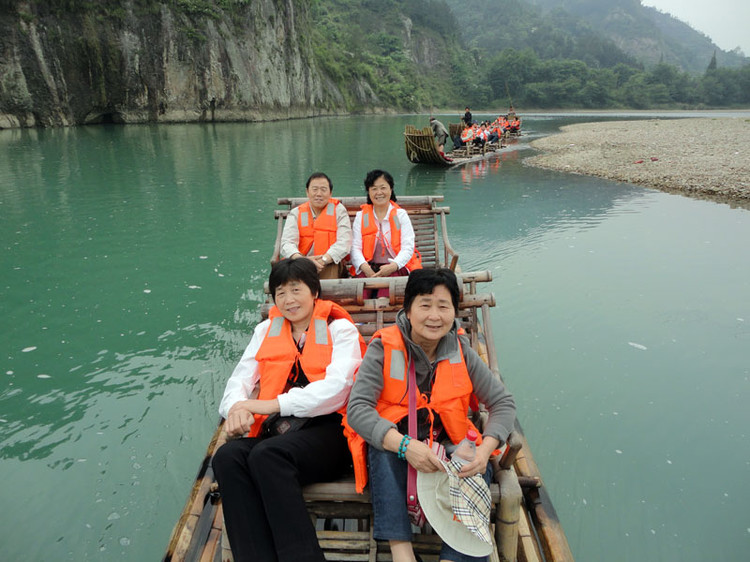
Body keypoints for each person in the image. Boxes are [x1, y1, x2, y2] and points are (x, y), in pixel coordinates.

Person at [345, 268, 516, 562]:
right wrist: (404, 445)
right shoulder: (383, 346)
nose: (434, 316)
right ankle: (403, 554)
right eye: (425, 305)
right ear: (408, 310)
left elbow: (502, 403)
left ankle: (455, 556)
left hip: (450, 447)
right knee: (381, 449)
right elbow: (358, 409)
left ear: (453, 312)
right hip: (400, 446)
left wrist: (485, 450)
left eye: (443, 306)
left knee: (476, 468)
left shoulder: (460, 347)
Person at [212, 258, 364, 562]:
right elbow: (240, 379)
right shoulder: (267, 329)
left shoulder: (340, 329)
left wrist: (270, 404)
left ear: (315, 292)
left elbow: (339, 389)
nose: (288, 300)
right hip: (278, 432)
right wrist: (236, 410)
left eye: (296, 290)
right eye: (280, 293)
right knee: (227, 457)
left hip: (330, 433)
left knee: (267, 456)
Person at [349, 169, 421, 281]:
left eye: (383, 188)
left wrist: (393, 266)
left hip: (396, 267)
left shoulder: (401, 215)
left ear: (391, 189)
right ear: (369, 191)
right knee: (360, 294)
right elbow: (355, 247)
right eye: (374, 189)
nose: (379, 192)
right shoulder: (361, 216)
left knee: (386, 294)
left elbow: (408, 247)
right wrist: (365, 268)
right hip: (368, 267)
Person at [280, 172, 352, 279]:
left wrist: (323, 260)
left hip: (329, 262)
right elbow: (287, 243)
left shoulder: (339, 210)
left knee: (330, 268)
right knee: (288, 271)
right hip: (301, 262)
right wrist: (302, 260)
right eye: (314, 189)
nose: (319, 194)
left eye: (323, 190)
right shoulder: (296, 213)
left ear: (330, 193)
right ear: (307, 192)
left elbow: (344, 243)